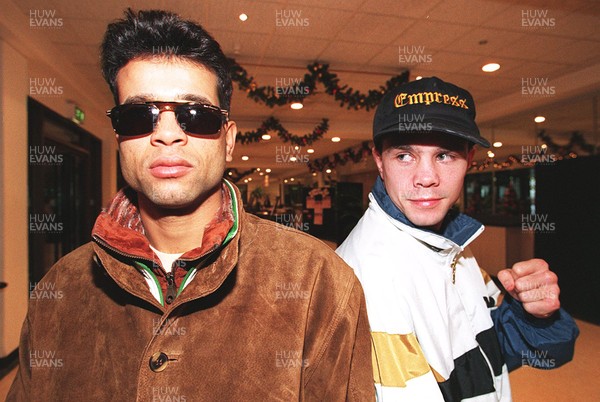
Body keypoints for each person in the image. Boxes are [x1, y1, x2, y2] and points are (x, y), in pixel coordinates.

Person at [8, 9, 374, 401]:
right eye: (139, 115)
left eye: (195, 115)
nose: (167, 134)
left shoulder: (319, 281)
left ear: (228, 140)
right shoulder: (61, 288)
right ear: (118, 138)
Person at [336, 76, 579, 401]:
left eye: (445, 155)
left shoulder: (450, 247)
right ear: (379, 160)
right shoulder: (359, 278)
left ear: (470, 159)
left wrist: (536, 315)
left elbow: (498, 351)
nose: (426, 178)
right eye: (405, 156)